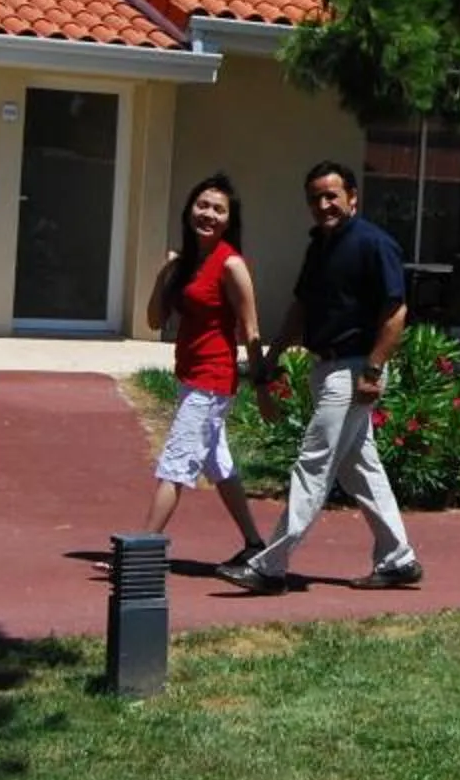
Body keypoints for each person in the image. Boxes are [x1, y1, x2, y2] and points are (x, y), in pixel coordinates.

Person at [222, 159, 423, 592]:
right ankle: (398, 559)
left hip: (354, 370)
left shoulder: (375, 244)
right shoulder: (320, 246)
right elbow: (301, 307)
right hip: (325, 366)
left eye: (332, 195)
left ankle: (269, 567)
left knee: (314, 464)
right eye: (315, 198)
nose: (324, 205)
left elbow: (396, 312)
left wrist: (374, 368)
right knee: (360, 469)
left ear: (353, 197)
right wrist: (272, 357)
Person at [142, 172, 269, 564]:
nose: (208, 214)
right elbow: (152, 320)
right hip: (190, 376)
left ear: (229, 219)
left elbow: (251, 330)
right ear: (189, 210)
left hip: (212, 380)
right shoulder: (185, 264)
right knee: (219, 464)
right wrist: (165, 273)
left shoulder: (230, 265)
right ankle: (254, 544)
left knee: (175, 464)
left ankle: (141, 549)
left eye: (218, 209)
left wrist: (262, 388)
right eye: (202, 205)